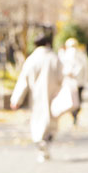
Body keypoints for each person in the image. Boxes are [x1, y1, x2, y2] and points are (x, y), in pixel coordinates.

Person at [10, 31, 63, 162]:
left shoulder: (31, 59)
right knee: (51, 123)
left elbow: (23, 80)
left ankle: (40, 142)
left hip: (36, 96)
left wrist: (16, 99)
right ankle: (46, 142)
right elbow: (62, 77)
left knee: (38, 120)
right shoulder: (54, 58)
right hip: (53, 95)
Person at [59, 37, 88, 125]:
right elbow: (86, 68)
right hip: (79, 82)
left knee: (71, 99)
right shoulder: (81, 54)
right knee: (78, 99)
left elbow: (62, 68)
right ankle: (75, 114)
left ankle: (73, 114)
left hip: (71, 82)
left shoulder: (67, 55)